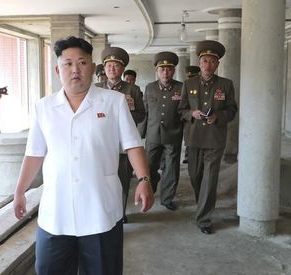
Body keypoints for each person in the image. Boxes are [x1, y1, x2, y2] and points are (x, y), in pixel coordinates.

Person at [13, 36, 154, 275]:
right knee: (49, 270)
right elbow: (34, 154)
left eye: (82, 62)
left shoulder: (114, 102)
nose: (75, 69)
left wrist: (144, 180)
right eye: (68, 64)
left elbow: (132, 145)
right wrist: (19, 191)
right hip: (56, 212)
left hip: (100, 208)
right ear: (58, 70)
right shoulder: (43, 108)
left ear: (92, 66)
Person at [178, 40, 237, 235]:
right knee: (196, 177)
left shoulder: (225, 85)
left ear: (217, 64)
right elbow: (182, 109)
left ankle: (204, 218)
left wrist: (218, 116)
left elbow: (232, 110)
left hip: (215, 138)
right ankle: (202, 203)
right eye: (205, 60)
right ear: (200, 62)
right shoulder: (189, 83)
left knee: (210, 179)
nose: (208, 64)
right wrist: (191, 114)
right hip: (194, 137)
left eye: (212, 61)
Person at [96, 47, 146, 224]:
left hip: (123, 145)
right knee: (101, 179)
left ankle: (120, 211)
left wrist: (124, 118)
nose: (111, 69)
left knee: (123, 179)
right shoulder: (95, 89)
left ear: (122, 69)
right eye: (108, 65)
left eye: (116, 66)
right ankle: (103, 211)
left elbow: (141, 114)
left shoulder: (132, 90)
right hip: (101, 143)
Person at [142, 52, 184, 211]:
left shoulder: (181, 88)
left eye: (168, 69)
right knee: (149, 166)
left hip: (173, 135)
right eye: (162, 69)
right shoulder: (150, 87)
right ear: (157, 71)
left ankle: (167, 198)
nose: (165, 73)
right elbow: (146, 111)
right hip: (153, 135)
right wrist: (142, 133)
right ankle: (150, 191)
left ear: (173, 71)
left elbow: (184, 111)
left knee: (171, 169)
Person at [181, 66, 200, 164]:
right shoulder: (185, 85)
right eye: (188, 76)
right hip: (187, 118)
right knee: (188, 137)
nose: (190, 78)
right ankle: (188, 156)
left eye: (192, 76)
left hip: (199, 118)